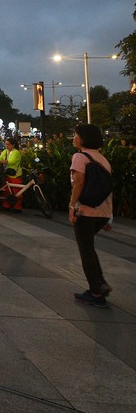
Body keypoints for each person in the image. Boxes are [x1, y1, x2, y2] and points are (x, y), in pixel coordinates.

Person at [69, 124, 114, 308]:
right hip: (103, 211)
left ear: (83, 138)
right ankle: (100, 283)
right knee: (89, 248)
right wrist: (107, 217)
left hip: (86, 211)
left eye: (76, 134)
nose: (74, 138)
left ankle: (95, 292)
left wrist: (72, 206)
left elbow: (78, 183)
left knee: (86, 251)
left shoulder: (80, 157)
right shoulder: (102, 159)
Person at [0, 138, 22, 212]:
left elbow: (11, 162)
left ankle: (17, 207)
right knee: (7, 191)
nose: (6, 146)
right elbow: (0, 158)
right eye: (6, 144)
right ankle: (6, 206)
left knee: (16, 192)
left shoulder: (16, 152)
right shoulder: (5, 151)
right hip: (7, 174)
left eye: (8, 144)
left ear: (13, 145)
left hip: (15, 175)